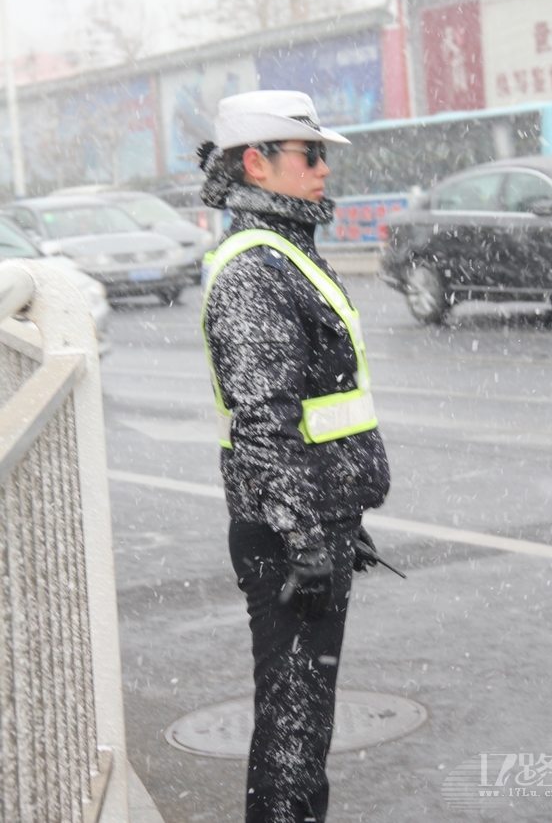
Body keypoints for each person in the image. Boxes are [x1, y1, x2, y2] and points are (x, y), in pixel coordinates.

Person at [198, 90, 390, 823]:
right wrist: (307, 538)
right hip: (287, 540)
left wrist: (340, 512)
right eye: (308, 155)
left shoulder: (285, 254)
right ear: (257, 163)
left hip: (310, 522)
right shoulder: (256, 271)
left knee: (303, 724)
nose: (321, 169)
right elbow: (264, 426)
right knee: (292, 731)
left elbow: (317, 413)